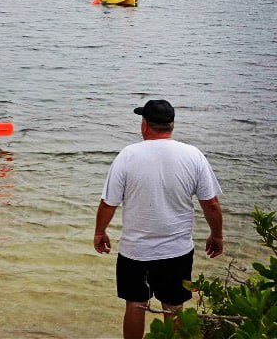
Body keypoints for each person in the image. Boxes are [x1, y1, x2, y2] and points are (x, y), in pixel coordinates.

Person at [94, 99, 224, 339]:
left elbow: (108, 202)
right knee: (174, 306)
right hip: (176, 250)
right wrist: (216, 235)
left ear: (145, 125)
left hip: (135, 250)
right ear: (171, 125)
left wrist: (100, 232)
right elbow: (211, 204)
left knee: (135, 304)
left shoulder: (128, 155)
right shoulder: (193, 155)